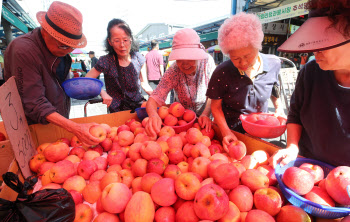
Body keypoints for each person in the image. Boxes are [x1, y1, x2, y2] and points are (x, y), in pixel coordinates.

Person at [3, 1, 100, 146]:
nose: (68, 51)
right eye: (64, 45)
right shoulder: (23, 50)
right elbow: (34, 102)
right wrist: (75, 128)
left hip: (57, 124)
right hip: (32, 131)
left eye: (71, 47)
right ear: (45, 31)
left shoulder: (59, 51)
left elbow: (54, 84)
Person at [270, 0, 350, 167]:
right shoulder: (310, 72)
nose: (315, 50)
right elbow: (295, 114)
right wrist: (292, 146)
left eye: (323, 41)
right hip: (305, 167)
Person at [206, 12, 284, 152]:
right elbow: (215, 107)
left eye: (248, 56)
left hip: (262, 133)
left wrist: (278, 108)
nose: (243, 63)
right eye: (236, 58)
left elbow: (274, 87)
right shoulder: (222, 72)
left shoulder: (274, 63)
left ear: (258, 46)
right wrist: (226, 132)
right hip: (232, 135)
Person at [145, 28, 216, 137]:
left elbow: (214, 92)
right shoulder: (173, 71)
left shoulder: (207, 62)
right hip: (182, 123)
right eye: (180, 59)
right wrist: (153, 115)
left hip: (205, 121)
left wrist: (205, 114)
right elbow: (154, 98)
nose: (185, 64)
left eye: (190, 58)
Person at [85, 18, 147, 113]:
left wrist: (155, 95)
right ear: (110, 42)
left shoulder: (139, 58)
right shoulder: (106, 61)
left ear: (131, 39)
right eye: (117, 41)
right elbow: (87, 78)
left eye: (125, 40)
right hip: (117, 111)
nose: (122, 45)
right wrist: (102, 92)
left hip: (139, 108)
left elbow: (144, 83)